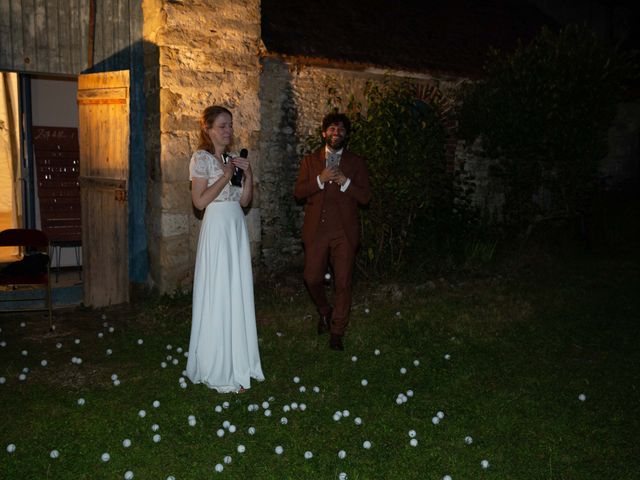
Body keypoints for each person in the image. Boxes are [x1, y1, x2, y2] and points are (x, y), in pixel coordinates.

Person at [186, 105, 264, 392]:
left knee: (236, 291)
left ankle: (239, 361)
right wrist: (225, 174)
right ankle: (217, 366)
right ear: (208, 129)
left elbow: (244, 202)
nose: (228, 130)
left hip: (235, 228)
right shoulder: (201, 159)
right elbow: (200, 202)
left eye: (230, 125)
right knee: (219, 292)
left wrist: (248, 174)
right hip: (217, 230)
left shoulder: (232, 158)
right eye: (222, 125)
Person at [294, 112, 371, 351]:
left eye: (341, 131)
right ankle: (324, 311)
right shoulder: (310, 161)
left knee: (343, 283)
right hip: (317, 231)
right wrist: (320, 179)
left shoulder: (356, 163)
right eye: (332, 130)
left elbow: (366, 197)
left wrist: (345, 181)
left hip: (344, 233)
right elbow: (299, 193)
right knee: (312, 278)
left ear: (346, 135)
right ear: (324, 133)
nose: (336, 134)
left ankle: (337, 330)